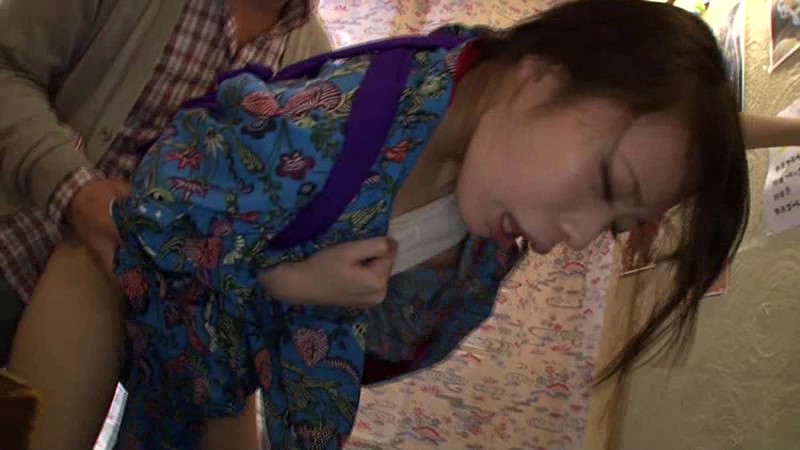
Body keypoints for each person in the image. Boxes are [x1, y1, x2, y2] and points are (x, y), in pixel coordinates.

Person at [6, 0, 800, 449]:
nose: (576, 237)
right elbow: (151, 213)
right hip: (89, 278)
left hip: (208, 367)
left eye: (620, 221)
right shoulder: (333, 117)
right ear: (540, 78)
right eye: (605, 188)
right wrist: (281, 279)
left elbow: (679, 128)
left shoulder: (487, 189)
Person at [0, 0, 332, 449]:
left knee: (221, 394)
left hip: (173, 309)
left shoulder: (311, 63)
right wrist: (73, 187)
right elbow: (6, 68)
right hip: (22, 234)